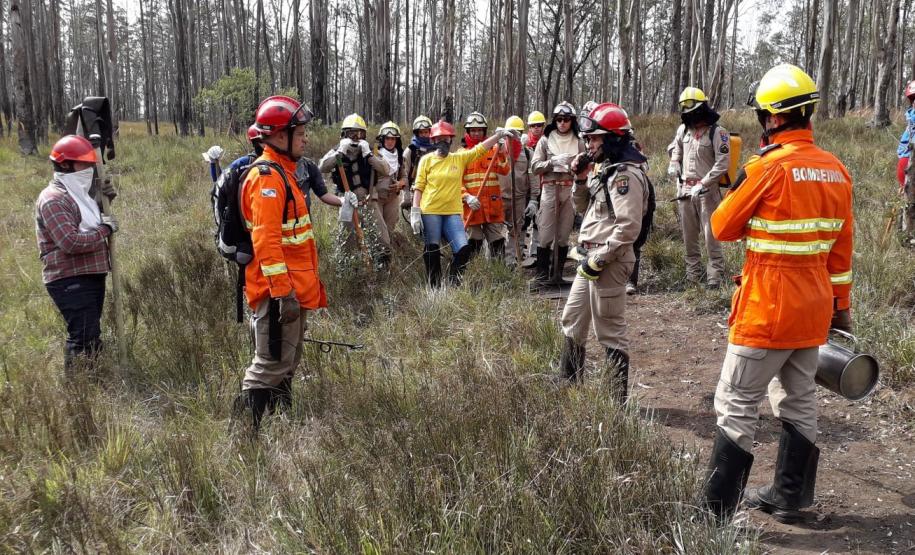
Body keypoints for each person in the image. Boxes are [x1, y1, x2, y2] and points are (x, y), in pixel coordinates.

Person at [702, 65, 854, 524]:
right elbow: (841, 256)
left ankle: (714, 514)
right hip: (813, 310)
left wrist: (742, 189)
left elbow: (722, 227)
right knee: (799, 397)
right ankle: (789, 495)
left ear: (771, 117)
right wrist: (840, 311)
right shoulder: (837, 171)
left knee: (736, 402)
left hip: (766, 309)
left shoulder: (766, 168)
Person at [236, 95, 329, 431]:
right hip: (279, 293)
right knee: (269, 364)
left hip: (295, 289)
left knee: (287, 361)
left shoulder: (286, 173)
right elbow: (266, 242)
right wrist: (282, 294)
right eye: (300, 132)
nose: (305, 138)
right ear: (278, 136)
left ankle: (280, 423)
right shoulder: (267, 179)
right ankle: (246, 434)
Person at [558, 103, 649, 403]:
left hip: (609, 261)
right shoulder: (605, 169)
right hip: (590, 260)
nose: (589, 144)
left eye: (595, 138)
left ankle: (615, 405)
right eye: (587, 139)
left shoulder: (626, 175)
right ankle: (569, 389)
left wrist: (599, 259)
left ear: (613, 138)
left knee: (610, 332)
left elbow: (627, 228)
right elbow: (582, 209)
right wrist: (580, 178)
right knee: (572, 321)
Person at [36, 135, 118, 376]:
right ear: (65, 165)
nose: (90, 169)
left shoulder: (78, 194)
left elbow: (87, 218)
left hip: (90, 274)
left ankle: (93, 383)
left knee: (91, 333)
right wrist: (106, 229)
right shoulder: (53, 199)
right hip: (69, 279)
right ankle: (79, 393)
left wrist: (105, 201)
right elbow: (70, 242)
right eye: (84, 164)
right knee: (82, 336)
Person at [410, 120, 514, 287]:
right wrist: (415, 211)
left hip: (452, 212)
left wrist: (498, 136)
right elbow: (419, 187)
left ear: (451, 139)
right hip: (430, 211)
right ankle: (434, 288)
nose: (442, 142)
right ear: (433, 141)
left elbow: (479, 150)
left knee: (463, 248)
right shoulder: (426, 160)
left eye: (446, 138)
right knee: (432, 248)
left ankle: (453, 282)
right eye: (438, 139)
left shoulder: (459, 158)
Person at [667, 87, 730, 288]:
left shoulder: (718, 132)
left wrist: (704, 183)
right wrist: (674, 163)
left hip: (707, 192)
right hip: (685, 190)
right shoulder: (682, 130)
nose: (687, 113)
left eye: (691, 108)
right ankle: (692, 276)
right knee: (689, 236)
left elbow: (722, 164)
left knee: (711, 235)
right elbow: (676, 150)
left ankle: (714, 276)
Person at [319, 114, 391, 270]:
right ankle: (347, 272)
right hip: (346, 202)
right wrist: (340, 153)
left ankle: (382, 271)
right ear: (344, 134)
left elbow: (386, 170)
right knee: (347, 240)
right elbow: (322, 167)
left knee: (382, 238)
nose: (356, 138)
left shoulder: (371, 151)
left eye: (360, 134)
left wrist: (369, 155)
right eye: (351, 133)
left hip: (369, 200)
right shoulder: (337, 151)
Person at [530, 102, 587, 282]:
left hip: (569, 189)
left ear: (572, 121)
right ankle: (541, 277)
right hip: (549, 187)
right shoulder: (545, 140)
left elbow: (586, 166)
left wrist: (574, 168)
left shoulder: (578, 141)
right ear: (555, 121)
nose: (562, 123)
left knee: (563, 236)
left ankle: (558, 275)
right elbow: (534, 167)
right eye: (559, 119)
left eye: (566, 119)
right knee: (546, 235)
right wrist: (551, 162)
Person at [460, 112, 511, 259]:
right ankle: (474, 276)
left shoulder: (494, 150)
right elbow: (456, 182)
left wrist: (502, 151)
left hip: (492, 207)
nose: (476, 133)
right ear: (468, 132)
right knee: (473, 244)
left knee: (498, 243)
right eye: (473, 130)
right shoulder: (461, 154)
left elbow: (505, 170)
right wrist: (466, 197)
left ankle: (497, 276)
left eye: (480, 130)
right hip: (472, 208)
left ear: (484, 131)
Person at [498, 116, 533, 266]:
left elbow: (533, 177)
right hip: (499, 198)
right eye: (511, 132)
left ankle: (510, 261)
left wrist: (534, 199)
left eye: (517, 132)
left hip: (518, 198)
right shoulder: (498, 150)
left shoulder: (527, 153)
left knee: (516, 230)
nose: (514, 136)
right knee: (495, 232)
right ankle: (494, 262)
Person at [374, 121, 407, 242]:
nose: (390, 141)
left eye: (393, 139)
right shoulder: (374, 155)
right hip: (376, 199)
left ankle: (388, 258)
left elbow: (404, 177)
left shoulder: (400, 157)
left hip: (393, 199)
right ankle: (381, 255)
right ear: (382, 139)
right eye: (387, 138)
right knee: (380, 232)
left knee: (389, 229)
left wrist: (400, 184)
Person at [522, 110, 547, 267]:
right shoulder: (524, 144)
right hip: (526, 188)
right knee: (524, 219)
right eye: (533, 126)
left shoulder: (548, 142)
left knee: (540, 220)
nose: (536, 128)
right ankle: (521, 250)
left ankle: (535, 250)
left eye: (539, 125)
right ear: (529, 127)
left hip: (544, 186)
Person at [402, 115, 435, 210]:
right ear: (416, 133)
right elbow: (404, 174)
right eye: (421, 132)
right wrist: (406, 195)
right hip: (415, 193)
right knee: (416, 223)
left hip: (433, 193)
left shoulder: (436, 150)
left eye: (426, 132)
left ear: (430, 132)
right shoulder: (410, 151)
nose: (424, 135)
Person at [896, 81, 915, 239]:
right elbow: (902, 150)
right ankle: (905, 236)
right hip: (906, 175)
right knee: (906, 207)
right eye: (913, 99)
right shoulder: (909, 126)